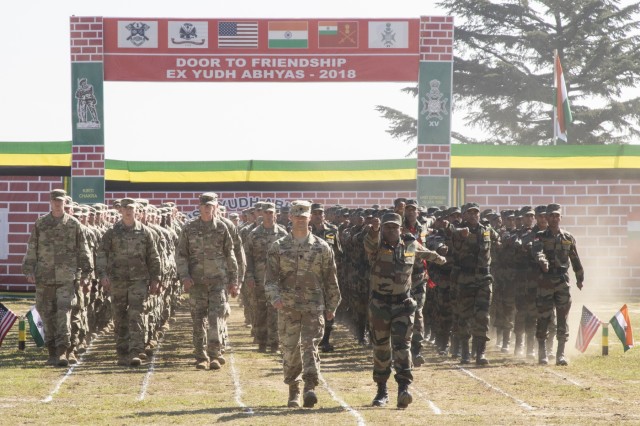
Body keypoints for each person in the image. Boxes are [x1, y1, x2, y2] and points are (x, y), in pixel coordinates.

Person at [364, 212, 446, 409]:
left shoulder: (410, 244)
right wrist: (374, 230)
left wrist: (439, 258)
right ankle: (382, 391)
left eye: (395, 227)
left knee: (403, 347)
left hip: (403, 304)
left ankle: (403, 389)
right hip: (380, 305)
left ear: (400, 229)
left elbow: (426, 253)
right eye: (387, 227)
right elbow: (370, 241)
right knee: (381, 348)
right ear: (382, 229)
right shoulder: (376, 245)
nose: (391, 230)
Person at [265, 200, 341, 409]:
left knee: (310, 346)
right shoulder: (278, 247)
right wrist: (275, 298)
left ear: (309, 218)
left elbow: (331, 279)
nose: (300, 220)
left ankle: (309, 387)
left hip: (313, 306)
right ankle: (294, 389)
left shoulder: (322, 247)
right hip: (287, 307)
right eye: (297, 216)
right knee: (290, 349)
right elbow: (270, 279)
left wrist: (332, 306)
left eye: (304, 216)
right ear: (290, 217)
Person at [22, 189, 93, 367]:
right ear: (50, 202)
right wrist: (28, 269)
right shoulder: (41, 223)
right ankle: (51, 351)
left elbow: (83, 250)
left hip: (66, 278)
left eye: (60, 201)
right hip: (44, 278)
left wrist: (86, 274)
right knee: (46, 314)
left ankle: (63, 350)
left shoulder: (74, 224)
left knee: (63, 314)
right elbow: (32, 247)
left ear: (64, 203)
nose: (57, 204)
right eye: (55, 201)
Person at [177, 193, 239, 370]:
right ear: (199, 207)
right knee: (198, 320)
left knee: (215, 319)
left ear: (215, 207)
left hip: (218, 281)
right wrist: (184, 276)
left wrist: (234, 280)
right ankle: (200, 356)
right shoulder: (189, 228)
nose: (207, 208)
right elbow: (181, 255)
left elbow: (230, 254)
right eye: (204, 205)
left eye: (210, 205)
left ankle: (214, 355)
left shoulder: (221, 228)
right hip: (196, 283)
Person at [96, 198, 162, 366]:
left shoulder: (145, 232)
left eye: (131, 208)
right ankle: (122, 351)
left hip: (139, 280)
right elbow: (102, 254)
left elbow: (153, 257)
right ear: (121, 211)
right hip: (117, 280)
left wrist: (156, 279)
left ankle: (136, 350)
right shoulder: (112, 232)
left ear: (136, 211)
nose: (128, 211)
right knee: (119, 315)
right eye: (125, 208)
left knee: (136, 314)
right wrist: (102, 275)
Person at [532, 203, 584, 366]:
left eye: (557, 216)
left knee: (563, 317)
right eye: (551, 215)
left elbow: (575, 258)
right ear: (547, 218)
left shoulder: (568, 237)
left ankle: (560, 354)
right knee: (544, 317)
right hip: (546, 281)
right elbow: (537, 252)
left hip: (562, 281)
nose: (554, 218)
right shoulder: (540, 236)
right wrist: (542, 261)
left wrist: (580, 277)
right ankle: (542, 353)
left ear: (560, 218)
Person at [448, 202, 496, 366]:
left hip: (484, 278)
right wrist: (460, 234)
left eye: (476, 212)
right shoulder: (458, 230)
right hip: (465, 279)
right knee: (464, 316)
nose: (473, 215)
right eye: (469, 213)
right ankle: (465, 352)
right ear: (464, 215)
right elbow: (451, 233)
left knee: (483, 316)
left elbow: (498, 240)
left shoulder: (486, 229)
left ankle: (480, 352)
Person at [244, 202, 287, 352]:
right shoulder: (254, 234)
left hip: (277, 279)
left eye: (271, 213)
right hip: (259, 278)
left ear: (275, 215)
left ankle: (274, 342)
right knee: (260, 310)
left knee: (276, 310)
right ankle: (262, 342)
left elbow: (288, 258)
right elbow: (247, 257)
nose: (269, 215)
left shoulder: (282, 234)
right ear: (262, 214)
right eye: (266, 213)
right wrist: (249, 276)